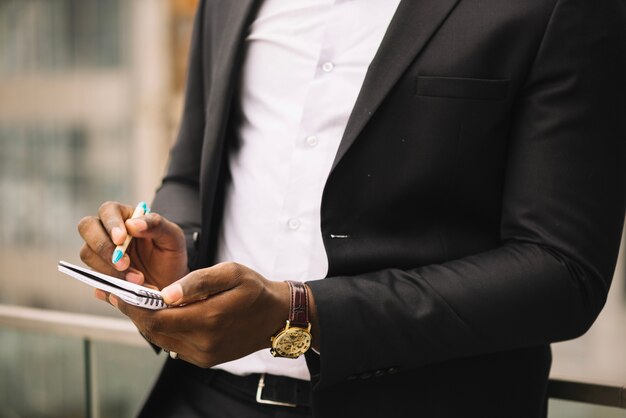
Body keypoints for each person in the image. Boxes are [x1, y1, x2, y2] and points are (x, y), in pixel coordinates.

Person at [77, 0, 626, 417]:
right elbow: (191, 175)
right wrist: (169, 257)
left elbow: (563, 270)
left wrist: (302, 314)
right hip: (201, 398)